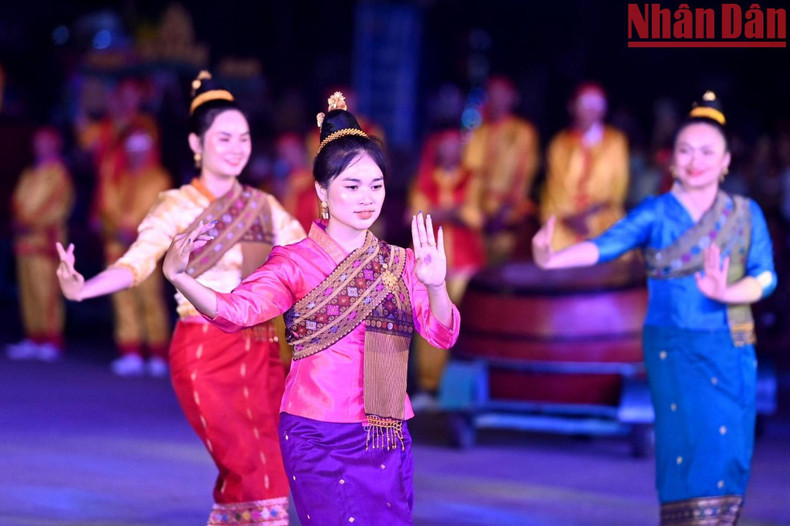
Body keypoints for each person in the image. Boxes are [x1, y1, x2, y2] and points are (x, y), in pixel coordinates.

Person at [161, 92, 460, 525]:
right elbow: (235, 312)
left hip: (386, 435)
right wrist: (181, 277)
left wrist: (436, 286)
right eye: (352, 186)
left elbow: (442, 334)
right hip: (317, 433)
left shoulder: (403, 262)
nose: (366, 198)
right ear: (322, 190)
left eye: (375, 185)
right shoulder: (293, 261)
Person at [56, 71, 305, 525]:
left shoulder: (267, 207)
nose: (237, 147)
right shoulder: (176, 205)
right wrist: (82, 288)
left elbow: (312, 262)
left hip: (267, 352)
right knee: (246, 462)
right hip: (205, 351)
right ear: (196, 143)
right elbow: (137, 263)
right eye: (224, 137)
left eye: (244, 138)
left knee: (270, 464)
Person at [532, 92, 776, 524]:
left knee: (729, 450)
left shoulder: (746, 213)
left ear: (725, 162)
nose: (695, 159)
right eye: (685, 150)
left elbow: (765, 275)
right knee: (686, 447)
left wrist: (729, 292)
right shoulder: (656, 213)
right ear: (672, 160)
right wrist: (553, 259)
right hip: (674, 347)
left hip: (731, 347)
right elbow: (605, 246)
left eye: (707, 152)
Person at [408, 128, 486, 408]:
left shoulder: (472, 178)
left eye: (456, 145)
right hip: (429, 264)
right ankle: (430, 387)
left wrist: (438, 211)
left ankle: (458, 390)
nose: (451, 150)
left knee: (463, 323)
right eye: (446, 145)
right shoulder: (425, 178)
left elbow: (476, 217)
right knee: (430, 317)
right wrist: (454, 211)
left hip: (466, 261)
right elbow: (414, 214)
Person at [96, 126, 173, 376]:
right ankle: (131, 352)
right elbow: (107, 207)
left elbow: (158, 211)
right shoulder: (120, 177)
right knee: (123, 300)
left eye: (141, 146)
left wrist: (134, 230)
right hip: (118, 247)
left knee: (150, 300)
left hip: (144, 248)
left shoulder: (159, 177)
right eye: (131, 146)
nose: (136, 152)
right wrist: (116, 228)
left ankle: (158, 353)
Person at [6, 126, 74, 361]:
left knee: (47, 292)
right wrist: (18, 221)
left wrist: (30, 223)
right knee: (28, 292)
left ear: (56, 144)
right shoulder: (30, 173)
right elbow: (17, 201)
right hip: (25, 242)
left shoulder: (59, 174)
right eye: (37, 141)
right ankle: (33, 337)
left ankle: (51, 339)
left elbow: (57, 207)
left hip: (45, 242)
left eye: (45, 142)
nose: (39, 146)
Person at [540, 82, 629, 251]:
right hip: (565, 224)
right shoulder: (560, 144)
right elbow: (554, 189)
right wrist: (570, 219)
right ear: (572, 106)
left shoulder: (616, 142)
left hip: (603, 222)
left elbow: (618, 188)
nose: (592, 108)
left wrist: (588, 217)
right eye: (586, 102)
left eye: (598, 103)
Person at [462, 75, 540, 263]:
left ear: (512, 97)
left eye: (502, 93)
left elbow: (523, 176)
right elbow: (469, 174)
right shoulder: (478, 132)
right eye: (492, 92)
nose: (496, 98)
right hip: (477, 216)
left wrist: (503, 213)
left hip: (509, 217)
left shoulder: (523, 132)